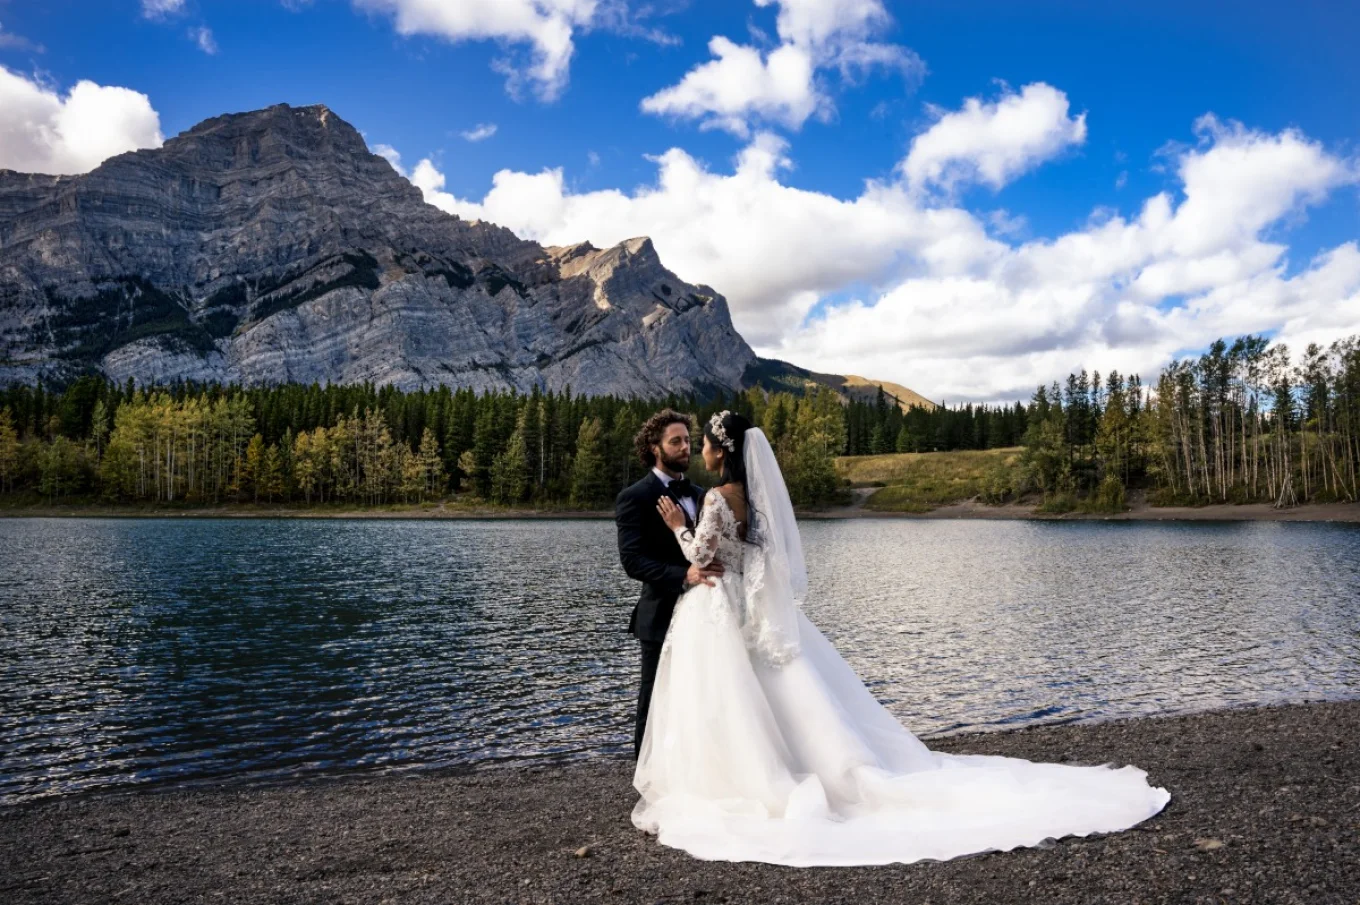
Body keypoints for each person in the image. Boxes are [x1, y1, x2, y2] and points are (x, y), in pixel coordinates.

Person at [631, 410, 1171, 867]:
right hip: (738, 609)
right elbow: (753, 560)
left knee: (726, 701)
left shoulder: (718, 500)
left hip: (718, 609)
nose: (694, 447)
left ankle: (730, 778)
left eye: (697, 441)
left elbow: (701, 556)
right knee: (766, 697)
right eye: (683, 440)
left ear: (719, 452)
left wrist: (681, 524)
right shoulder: (752, 501)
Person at [614, 409, 723, 758]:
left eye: (688, 440)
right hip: (660, 614)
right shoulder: (635, 496)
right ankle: (644, 778)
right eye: (675, 441)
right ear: (654, 448)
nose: (685, 447)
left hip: (706, 613)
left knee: (701, 694)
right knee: (655, 697)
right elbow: (633, 561)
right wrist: (684, 575)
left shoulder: (703, 493)